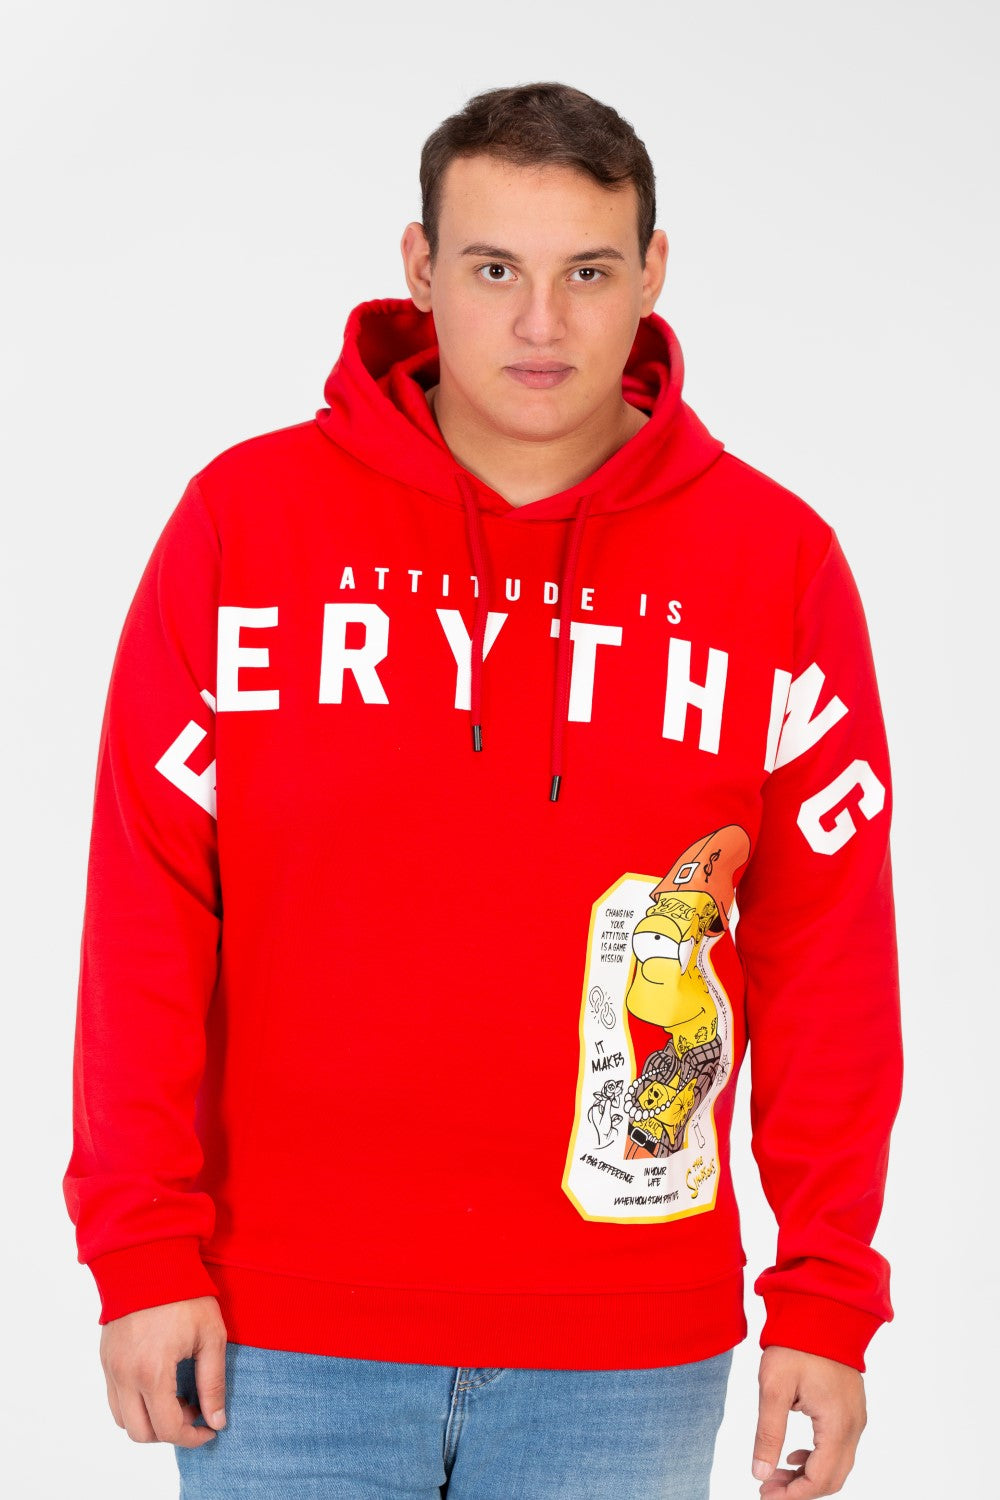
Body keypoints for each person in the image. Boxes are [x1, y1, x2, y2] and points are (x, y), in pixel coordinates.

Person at [62, 81, 903, 1500]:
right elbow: (148, 906)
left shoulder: (775, 565)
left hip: (626, 1352)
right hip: (282, 1338)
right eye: (495, 269)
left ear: (653, 273)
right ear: (419, 265)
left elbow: (828, 954)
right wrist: (140, 1249)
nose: (540, 323)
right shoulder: (246, 527)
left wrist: (826, 1293)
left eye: (589, 273)